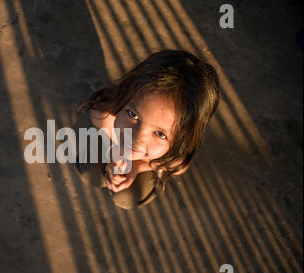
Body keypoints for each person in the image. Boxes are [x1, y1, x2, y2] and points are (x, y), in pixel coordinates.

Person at [73, 50, 220, 210]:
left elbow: (178, 166)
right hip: (112, 145)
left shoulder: (175, 156)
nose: (136, 139)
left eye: (160, 133)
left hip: (147, 162)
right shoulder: (105, 114)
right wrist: (114, 154)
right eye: (132, 114)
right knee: (90, 172)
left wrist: (138, 167)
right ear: (124, 97)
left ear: (182, 138)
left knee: (128, 198)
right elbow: (100, 119)